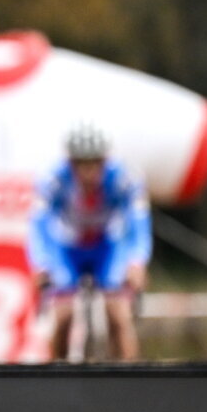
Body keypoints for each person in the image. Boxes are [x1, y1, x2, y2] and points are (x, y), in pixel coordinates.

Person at [27, 122, 152, 360]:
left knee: (118, 315)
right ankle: (57, 379)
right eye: (81, 165)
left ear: (105, 161)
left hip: (108, 245)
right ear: (71, 164)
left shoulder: (126, 178)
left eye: (95, 164)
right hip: (67, 247)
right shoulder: (51, 179)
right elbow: (38, 225)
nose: (89, 172)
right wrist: (40, 264)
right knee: (63, 316)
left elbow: (138, 224)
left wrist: (137, 262)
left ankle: (130, 382)